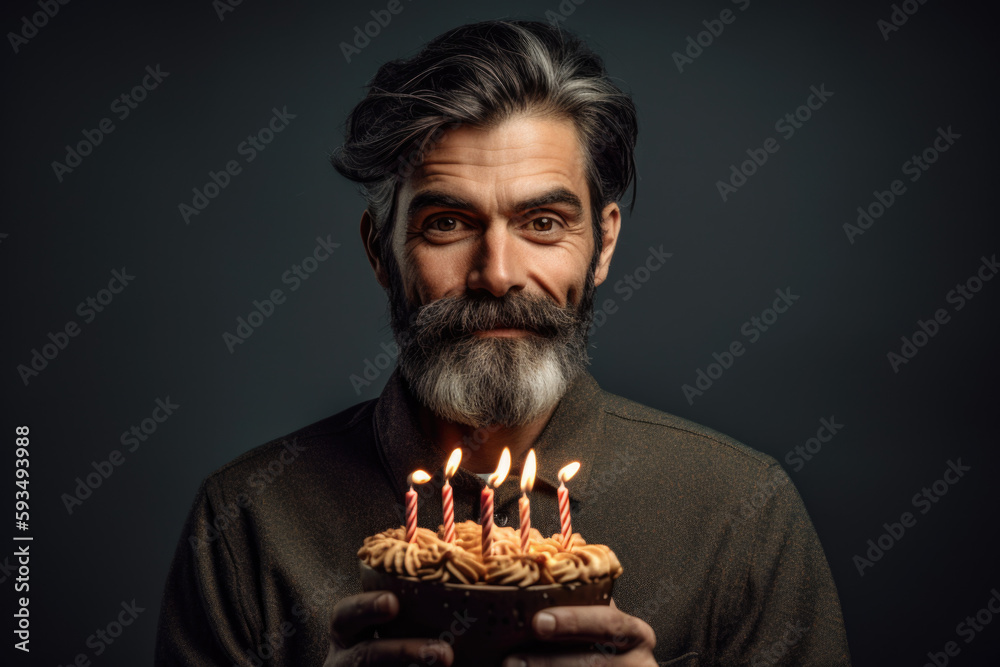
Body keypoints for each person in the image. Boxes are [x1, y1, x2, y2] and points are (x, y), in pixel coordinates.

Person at [155, 19, 851, 666]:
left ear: (602, 244)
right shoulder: (249, 521)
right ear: (381, 251)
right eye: (449, 223)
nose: (498, 274)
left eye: (543, 222)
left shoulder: (740, 513)